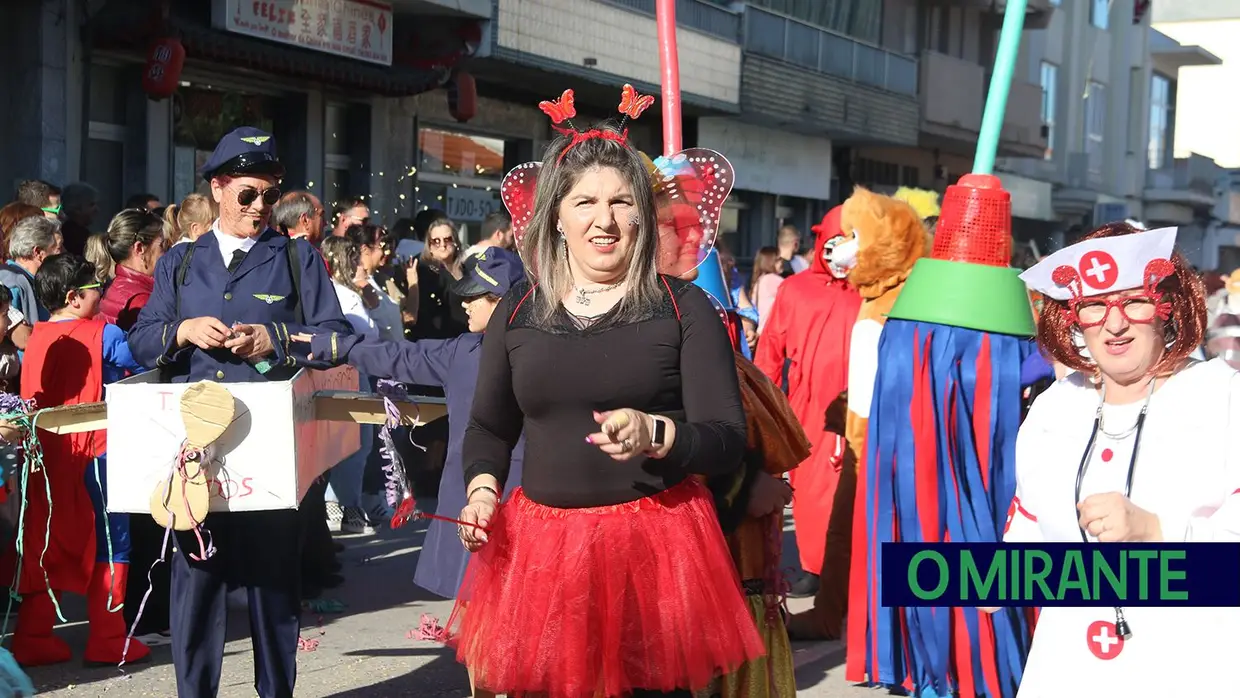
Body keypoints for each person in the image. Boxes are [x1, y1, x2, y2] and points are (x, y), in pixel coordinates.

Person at [445, 86, 763, 698]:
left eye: (621, 202)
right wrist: (482, 493)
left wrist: (658, 434)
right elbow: (489, 426)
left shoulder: (684, 307)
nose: (605, 220)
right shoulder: (517, 310)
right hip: (543, 552)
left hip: (656, 550)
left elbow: (727, 439)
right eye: (585, 201)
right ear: (556, 216)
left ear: (642, 214)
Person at [127, 126, 351, 698]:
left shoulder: (298, 258)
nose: (260, 208)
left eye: (270, 196)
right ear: (219, 188)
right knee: (195, 590)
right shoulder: (181, 262)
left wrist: (273, 337)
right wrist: (181, 329)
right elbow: (141, 340)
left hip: (269, 449)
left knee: (274, 593)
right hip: (195, 449)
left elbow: (333, 338)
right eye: (248, 194)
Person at [999, 222, 1238, 695]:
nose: (1114, 323)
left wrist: (1158, 531)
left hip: (1190, 671)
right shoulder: (1054, 408)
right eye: (1093, 305)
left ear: (1168, 308)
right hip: (1066, 671)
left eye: (1133, 300)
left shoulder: (1224, 401)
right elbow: (1029, 531)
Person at [295, 246, 527, 602]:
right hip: (481, 500)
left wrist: (339, 348)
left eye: (475, 297)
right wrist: (338, 347)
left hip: (520, 504)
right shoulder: (463, 352)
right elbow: (399, 356)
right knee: (479, 612)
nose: (464, 305)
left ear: (501, 301)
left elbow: (399, 357)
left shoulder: (495, 353)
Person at [4, 254, 149, 667]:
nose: (101, 295)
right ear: (74, 296)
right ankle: (107, 637)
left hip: (46, 459)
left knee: (46, 541)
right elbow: (141, 365)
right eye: (95, 289)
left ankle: (32, 636)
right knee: (110, 540)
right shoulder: (104, 334)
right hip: (95, 452)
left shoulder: (37, 337)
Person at [753, 207, 861, 610]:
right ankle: (816, 566)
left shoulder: (875, 291)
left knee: (855, 491)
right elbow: (770, 354)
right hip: (809, 408)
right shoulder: (795, 290)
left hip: (863, 405)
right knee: (813, 492)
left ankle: (851, 569)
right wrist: (762, 408)